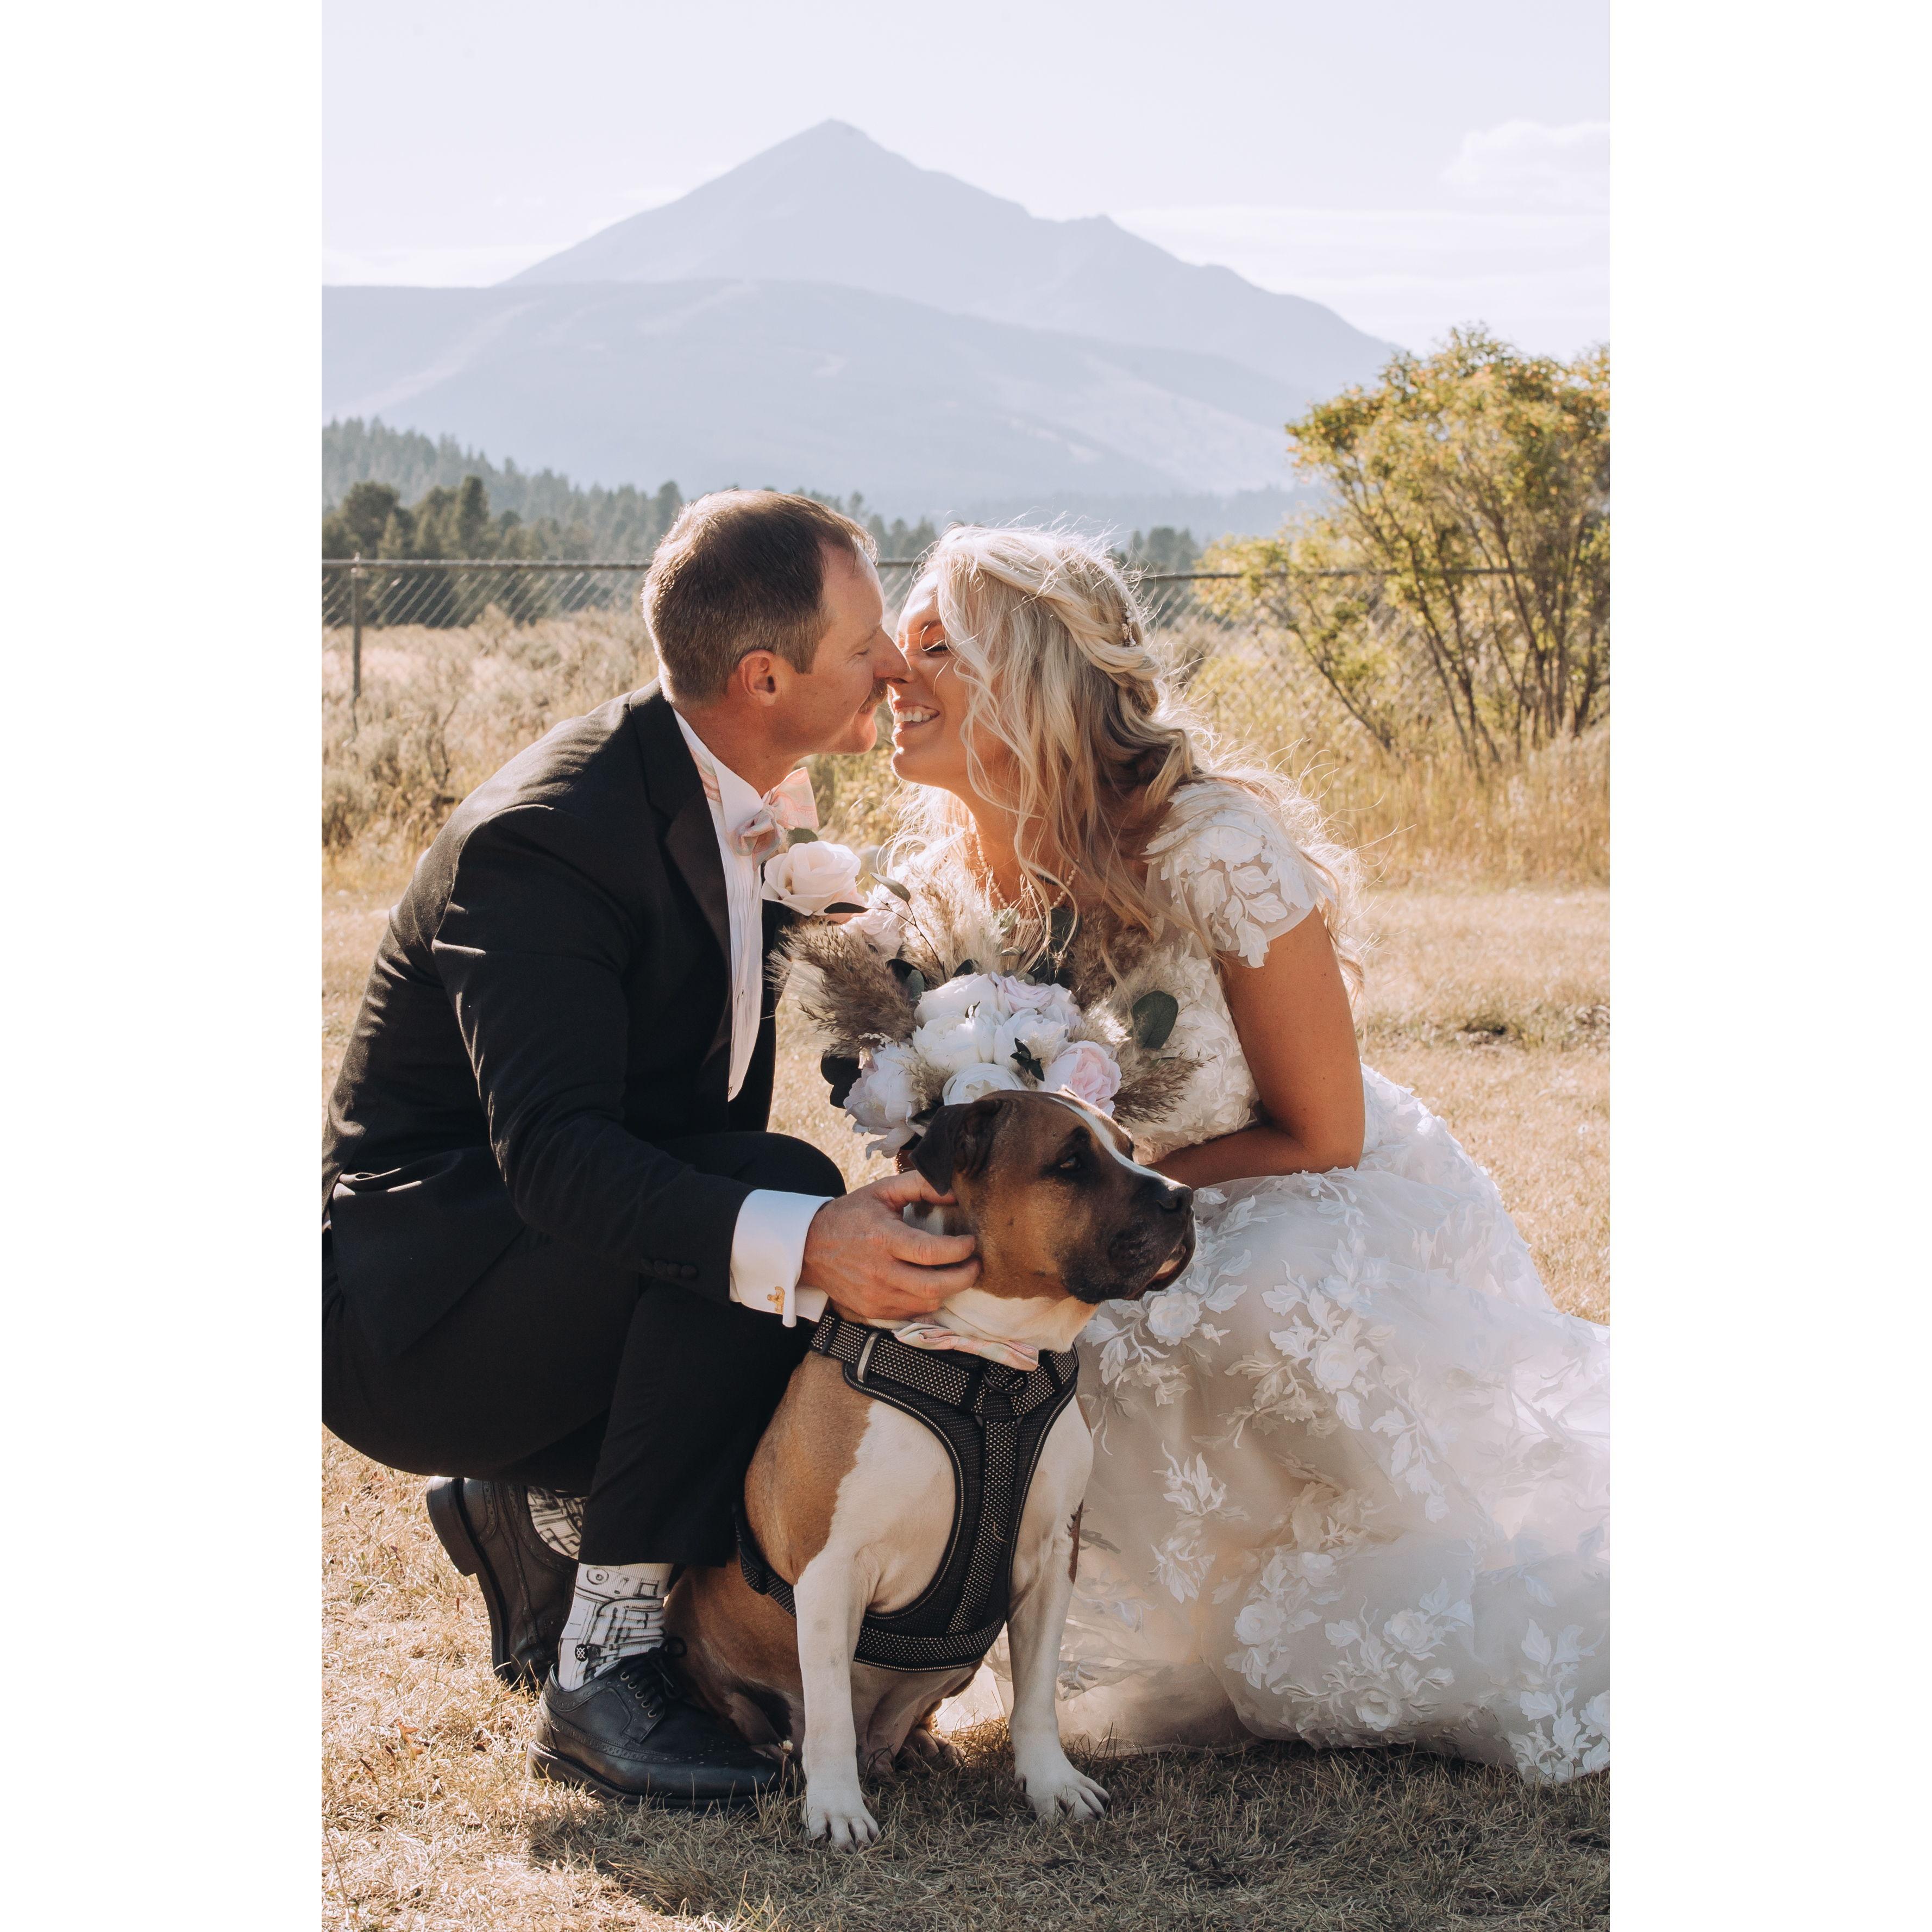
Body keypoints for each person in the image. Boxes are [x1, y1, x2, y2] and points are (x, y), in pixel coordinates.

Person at [876, 525, 1608, 1783]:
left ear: (1027, 670)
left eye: (934, 643)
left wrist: (1110, 1213)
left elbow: (1324, 1129)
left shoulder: (1207, 843)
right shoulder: (934, 891)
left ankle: (1371, 1600)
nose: (897, 669)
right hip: (1088, 1214)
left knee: (1216, 1299)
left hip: (1284, 1184)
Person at [322, 491, 978, 1806]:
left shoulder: (728, 787)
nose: (893, 669)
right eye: (865, 646)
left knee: (768, 1207)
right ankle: (604, 1667)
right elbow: (557, 1158)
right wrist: (810, 1241)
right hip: (411, 1318)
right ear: (763, 677)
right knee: (781, 1208)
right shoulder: (547, 839)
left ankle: (529, 1513)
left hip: (547, 1268)